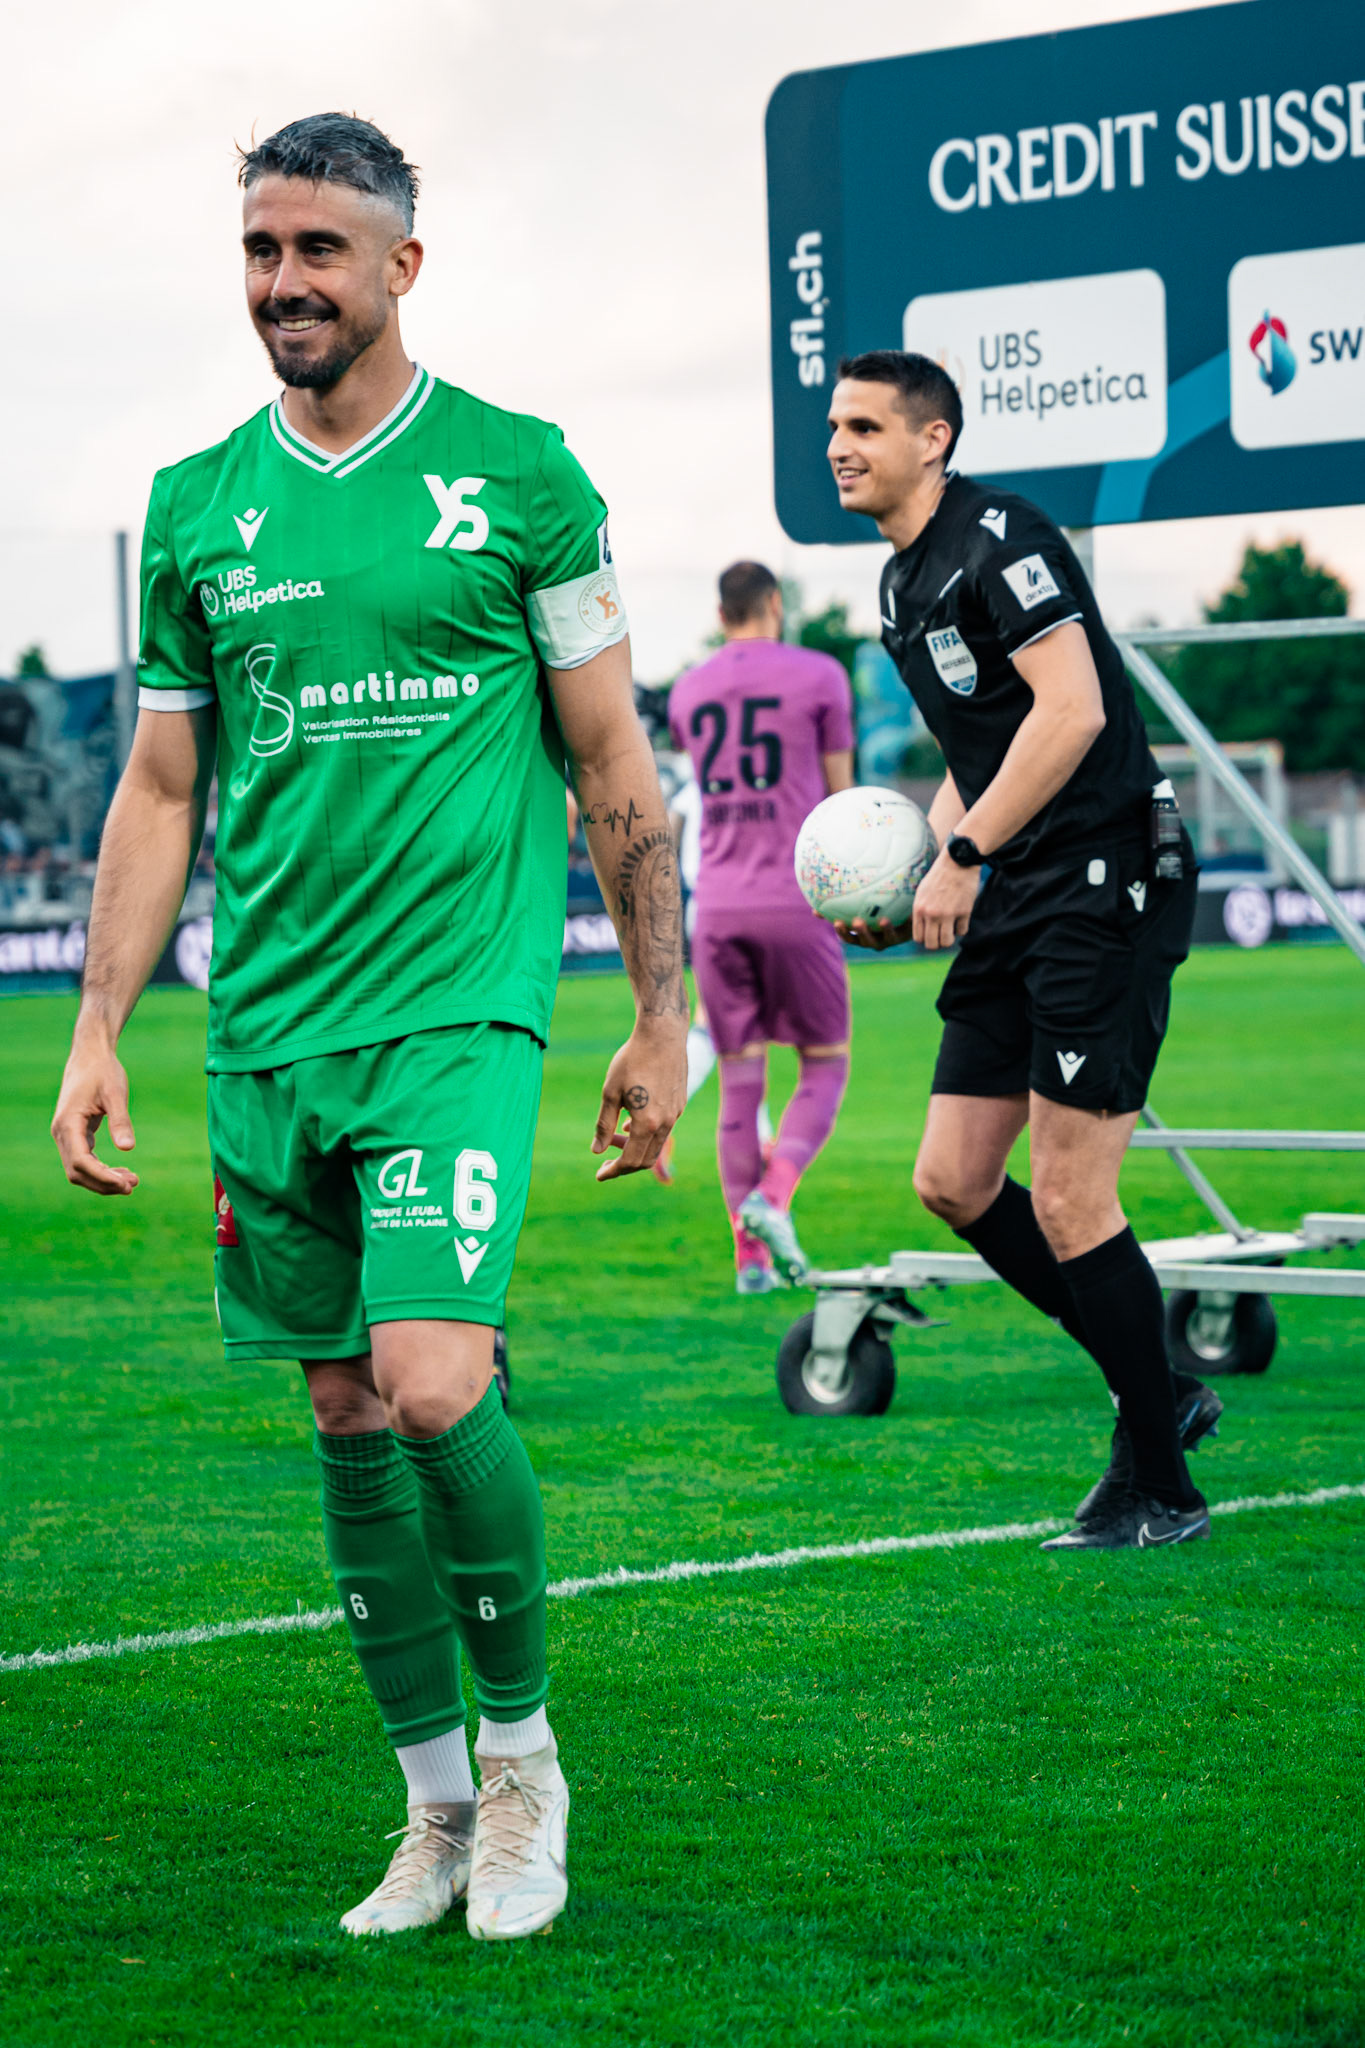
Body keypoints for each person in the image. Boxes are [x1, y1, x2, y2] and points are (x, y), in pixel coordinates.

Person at [50, 113, 685, 1940]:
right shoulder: (198, 505)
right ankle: (430, 1807)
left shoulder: (521, 475)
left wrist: (659, 1014)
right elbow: (162, 784)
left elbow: (608, 756)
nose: (284, 283)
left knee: (432, 1379)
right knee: (341, 1405)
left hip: (456, 1011)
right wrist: (98, 1028)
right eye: (261, 248)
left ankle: (526, 1767)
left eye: (319, 249)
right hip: (268, 1027)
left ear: (402, 264)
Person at [826, 349, 1221, 1551]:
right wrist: (919, 868)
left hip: (1106, 876)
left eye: (864, 427)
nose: (839, 447)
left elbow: (1074, 710)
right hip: (1024, 881)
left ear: (933, 439)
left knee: (1069, 1194)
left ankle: (1163, 1485)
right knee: (952, 1179)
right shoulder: (900, 582)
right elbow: (981, 753)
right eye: (834, 427)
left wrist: (965, 852)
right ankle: (1161, 1389)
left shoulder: (1004, 538)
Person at [668, 562, 855, 1291]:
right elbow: (841, 801)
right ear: (775, 604)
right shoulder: (820, 676)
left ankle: (750, 1262)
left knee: (740, 1083)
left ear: (722, 614)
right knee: (824, 1063)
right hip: (794, 897)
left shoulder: (689, 690)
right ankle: (772, 1197)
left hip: (716, 906)